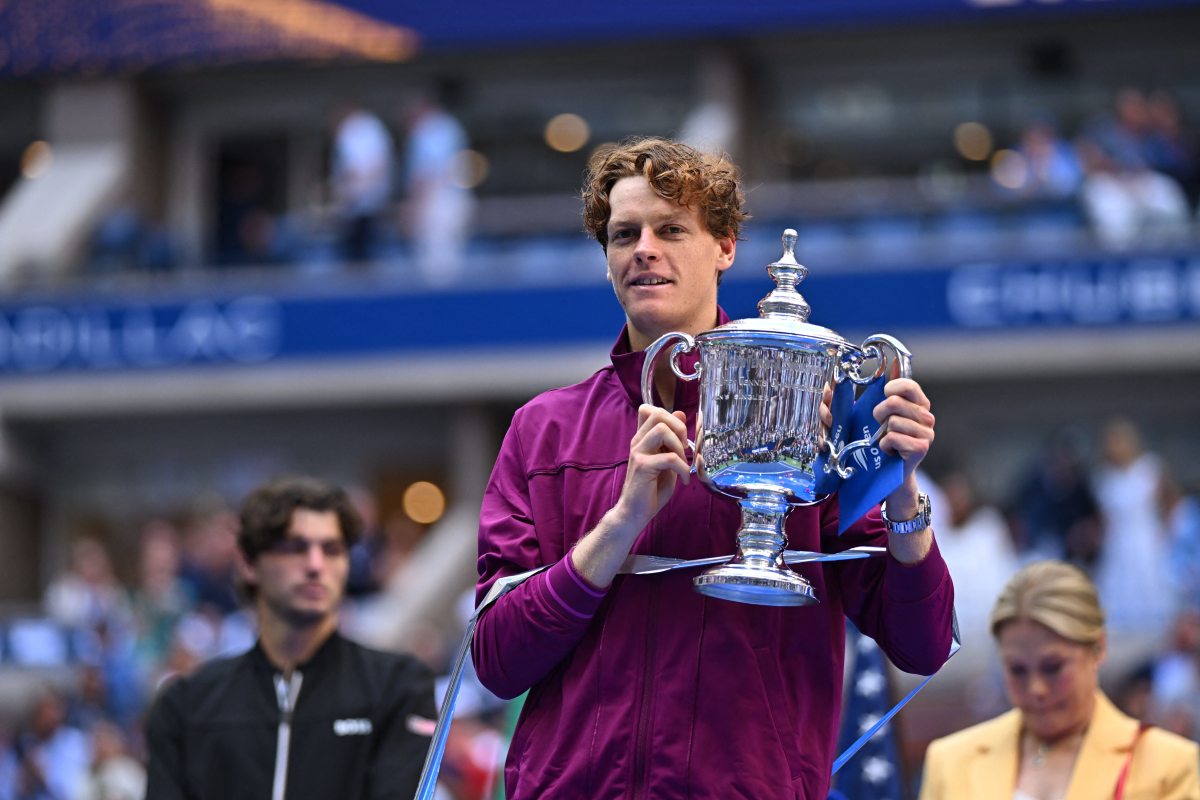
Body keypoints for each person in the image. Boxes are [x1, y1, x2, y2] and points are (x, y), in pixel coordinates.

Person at [472, 136, 955, 799]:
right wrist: (623, 521)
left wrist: (902, 492)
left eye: (671, 229)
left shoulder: (814, 413)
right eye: (623, 234)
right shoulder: (544, 431)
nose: (644, 248)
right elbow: (496, 661)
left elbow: (921, 643)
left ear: (725, 247)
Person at [144, 476, 437, 800]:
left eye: (332, 550)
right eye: (295, 548)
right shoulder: (186, 705)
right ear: (248, 563)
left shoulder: (399, 687)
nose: (315, 565)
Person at [918, 560, 1200, 800]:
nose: (1036, 689)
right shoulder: (950, 761)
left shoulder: (1168, 765)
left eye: (1053, 668)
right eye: (1017, 670)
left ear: (1098, 649)